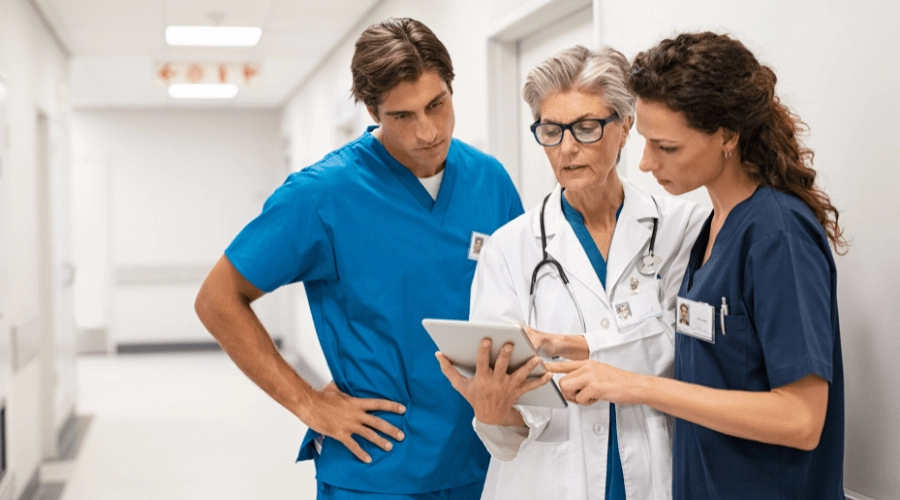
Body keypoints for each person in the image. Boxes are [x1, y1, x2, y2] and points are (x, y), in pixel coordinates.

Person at [194, 18, 523, 499]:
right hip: (377, 470)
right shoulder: (321, 197)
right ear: (372, 110)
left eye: (437, 105)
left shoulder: (489, 181)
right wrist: (307, 403)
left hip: (484, 461)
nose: (428, 131)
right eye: (402, 116)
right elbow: (217, 299)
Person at [549, 32, 846, 499]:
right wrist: (592, 350)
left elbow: (802, 418)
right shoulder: (712, 228)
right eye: (645, 142)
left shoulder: (776, 235)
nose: (645, 163)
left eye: (666, 147)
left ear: (727, 136)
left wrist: (638, 387)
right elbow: (714, 365)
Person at [436, 45, 707, 500]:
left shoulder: (683, 227)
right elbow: (511, 427)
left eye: (585, 128)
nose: (566, 149)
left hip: (657, 470)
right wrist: (494, 408)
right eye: (550, 130)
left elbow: (685, 351)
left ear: (625, 127)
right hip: (546, 480)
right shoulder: (509, 249)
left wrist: (580, 349)